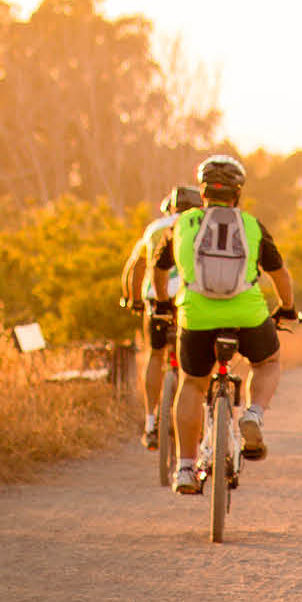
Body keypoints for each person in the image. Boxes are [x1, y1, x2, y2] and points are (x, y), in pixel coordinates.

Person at [153, 153, 298, 494]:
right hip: (247, 316)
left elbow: (159, 270)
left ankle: (186, 468)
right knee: (268, 361)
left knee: (192, 384)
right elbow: (280, 274)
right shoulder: (251, 225)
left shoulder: (182, 224)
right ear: (237, 194)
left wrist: (162, 302)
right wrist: (287, 308)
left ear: (202, 193)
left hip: (197, 317)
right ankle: (254, 414)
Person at [119, 184, 202, 453]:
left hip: (157, 298)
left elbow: (135, 267)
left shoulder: (155, 228)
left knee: (156, 355)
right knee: (195, 365)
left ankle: (151, 421)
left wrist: (131, 298)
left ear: (171, 207)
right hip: (190, 300)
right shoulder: (200, 225)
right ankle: (198, 424)